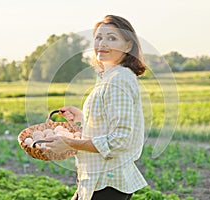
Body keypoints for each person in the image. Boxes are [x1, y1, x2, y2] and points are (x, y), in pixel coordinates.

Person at [46, 15, 148, 200]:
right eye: (99, 37)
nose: (102, 43)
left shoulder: (118, 80)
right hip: (97, 179)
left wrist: (69, 142)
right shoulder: (110, 77)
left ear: (128, 46)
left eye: (112, 38)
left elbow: (120, 140)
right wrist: (83, 118)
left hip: (107, 181)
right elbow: (109, 125)